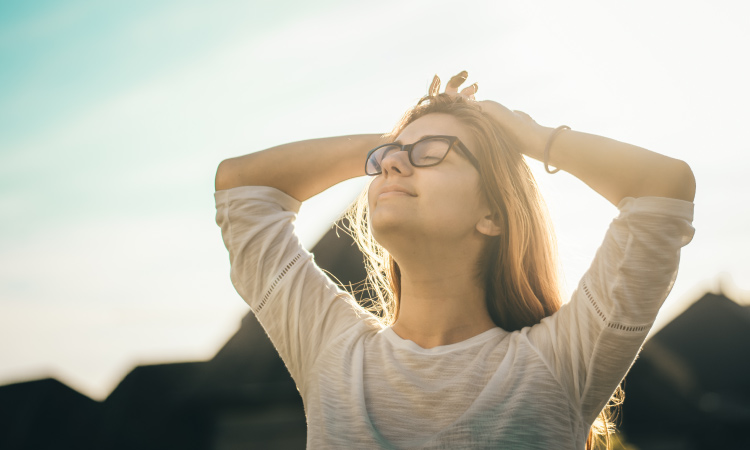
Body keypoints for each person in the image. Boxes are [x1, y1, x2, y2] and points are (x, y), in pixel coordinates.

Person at [214, 71, 696, 449]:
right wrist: (392, 140)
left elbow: (663, 188)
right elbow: (241, 186)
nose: (392, 164)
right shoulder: (332, 351)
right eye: (386, 159)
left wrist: (528, 136)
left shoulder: (559, 362)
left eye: (431, 154)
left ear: (492, 213)